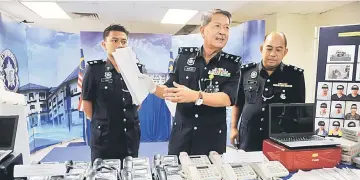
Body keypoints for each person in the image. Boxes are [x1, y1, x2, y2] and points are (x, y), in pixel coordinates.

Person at [139, 9, 241, 156]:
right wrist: (152, 87)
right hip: (182, 137)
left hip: (211, 139)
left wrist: (196, 96)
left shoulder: (232, 64)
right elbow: (170, 90)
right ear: (203, 30)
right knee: (177, 176)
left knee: (210, 176)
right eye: (217, 26)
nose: (223, 32)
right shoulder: (184, 58)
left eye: (226, 27)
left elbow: (228, 98)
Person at [230, 32, 305, 151]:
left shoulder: (295, 76)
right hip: (249, 138)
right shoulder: (246, 72)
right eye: (269, 48)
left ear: (285, 52)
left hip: (279, 140)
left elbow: (299, 111)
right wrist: (233, 128)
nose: (273, 54)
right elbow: (238, 103)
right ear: (261, 49)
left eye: (278, 50)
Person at [82, 24, 146, 162]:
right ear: (104, 44)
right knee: (102, 178)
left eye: (123, 41)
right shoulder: (94, 69)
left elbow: (138, 102)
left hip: (130, 136)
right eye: (114, 40)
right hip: (104, 138)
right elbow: (87, 105)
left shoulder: (136, 69)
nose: (120, 45)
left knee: (129, 176)